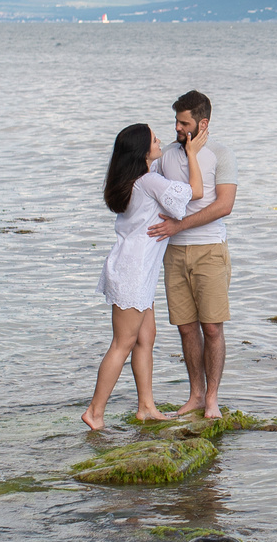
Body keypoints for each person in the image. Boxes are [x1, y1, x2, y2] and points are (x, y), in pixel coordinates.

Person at [83, 120, 206, 432]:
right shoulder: (148, 181)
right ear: (142, 151)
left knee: (145, 338)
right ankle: (95, 412)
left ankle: (146, 407)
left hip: (136, 268)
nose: (160, 140)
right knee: (122, 343)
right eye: (154, 139)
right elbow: (195, 192)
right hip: (133, 271)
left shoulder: (135, 180)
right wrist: (192, 153)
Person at [147, 89, 238, 417]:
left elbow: (224, 205)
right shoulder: (165, 156)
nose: (176, 128)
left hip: (210, 250)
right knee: (186, 327)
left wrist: (178, 225)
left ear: (203, 123)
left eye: (183, 123)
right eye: (175, 121)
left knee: (212, 327)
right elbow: (148, 192)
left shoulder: (221, 154)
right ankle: (196, 395)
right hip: (173, 253)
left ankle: (212, 398)